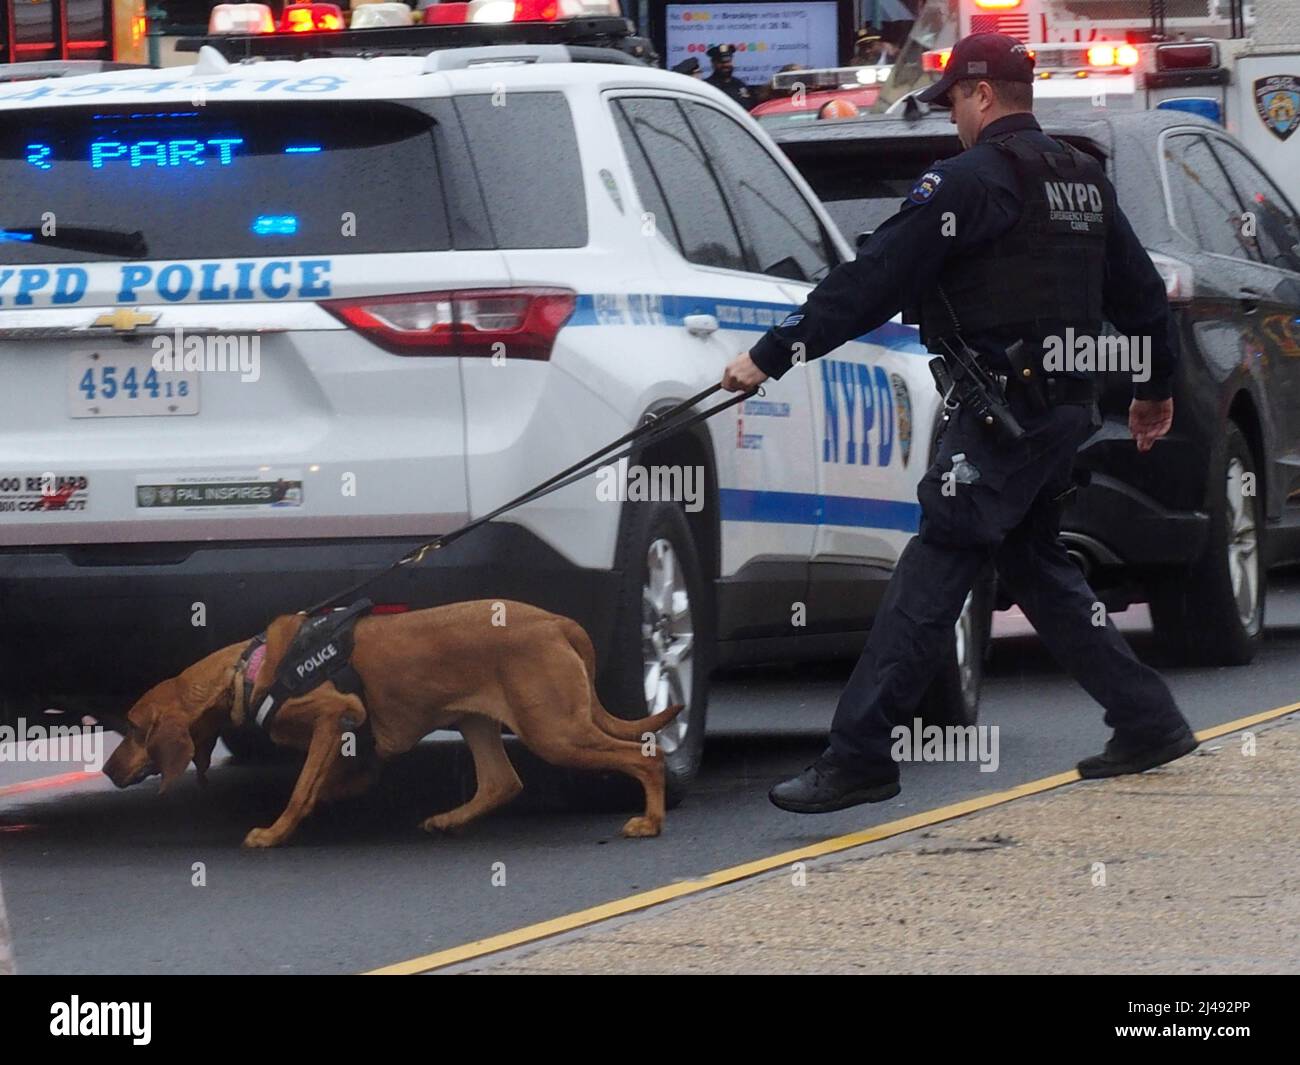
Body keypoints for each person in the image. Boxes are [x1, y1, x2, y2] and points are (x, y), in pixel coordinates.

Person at [718, 32, 1199, 813]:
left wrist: (774, 353)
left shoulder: (965, 182)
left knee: (938, 558)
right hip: (1064, 410)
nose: (954, 122)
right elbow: (1141, 294)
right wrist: (1153, 388)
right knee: (1034, 564)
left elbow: (875, 278)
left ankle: (860, 754)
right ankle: (1148, 719)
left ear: (979, 95)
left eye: (954, 105)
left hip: (1001, 413)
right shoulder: (1083, 178)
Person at [706, 44, 753, 109]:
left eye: (728, 61)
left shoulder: (740, 85)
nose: (725, 65)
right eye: (721, 62)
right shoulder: (707, 87)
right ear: (713, 63)